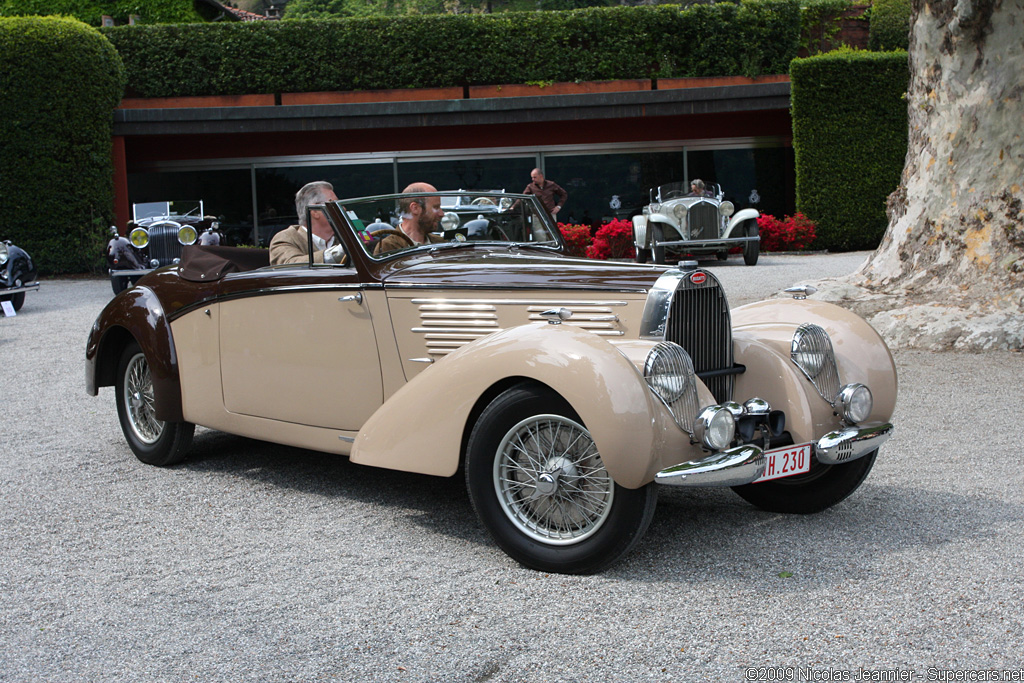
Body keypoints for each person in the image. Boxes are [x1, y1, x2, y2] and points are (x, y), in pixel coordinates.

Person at [269, 181, 346, 265]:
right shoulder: (286, 238)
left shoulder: (343, 237)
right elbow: (290, 265)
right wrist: (337, 253)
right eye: (335, 204)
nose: (344, 209)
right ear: (315, 211)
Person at [373, 182, 447, 254]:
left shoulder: (441, 243)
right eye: (436, 207)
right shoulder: (388, 247)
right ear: (415, 208)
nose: (442, 214)